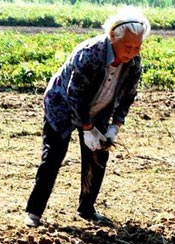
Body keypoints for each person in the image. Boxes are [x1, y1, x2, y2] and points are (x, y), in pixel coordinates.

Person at [24, 7, 151, 228]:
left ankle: (87, 209)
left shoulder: (134, 63)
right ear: (113, 37)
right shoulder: (91, 54)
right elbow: (74, 96)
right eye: (128, 46)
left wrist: (115, 126)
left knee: (98, 156)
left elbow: (128, 95)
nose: (132, 52)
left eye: (137, 47)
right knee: (53, 156)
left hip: (99, 107)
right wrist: (86, 128)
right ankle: (33, 212)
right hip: (62, 105)